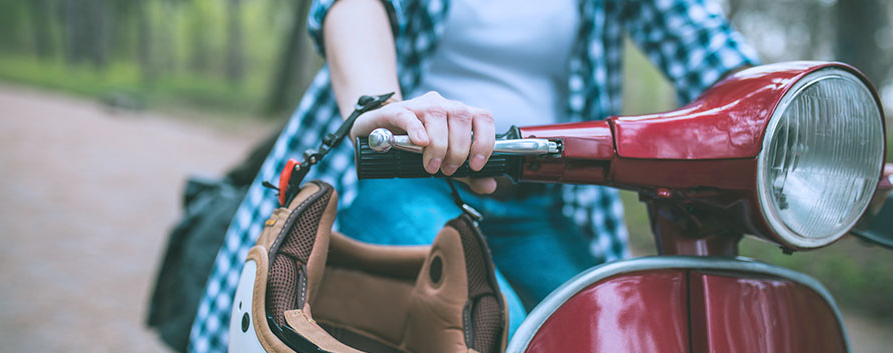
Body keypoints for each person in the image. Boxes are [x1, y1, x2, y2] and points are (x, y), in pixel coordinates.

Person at [188, 0, 759, 351]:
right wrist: (380, 104)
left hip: (545, 197)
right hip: (405, 176)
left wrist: (798, 120)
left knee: (624, 335)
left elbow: (707, 45)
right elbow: (353, 4)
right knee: (487, 328)